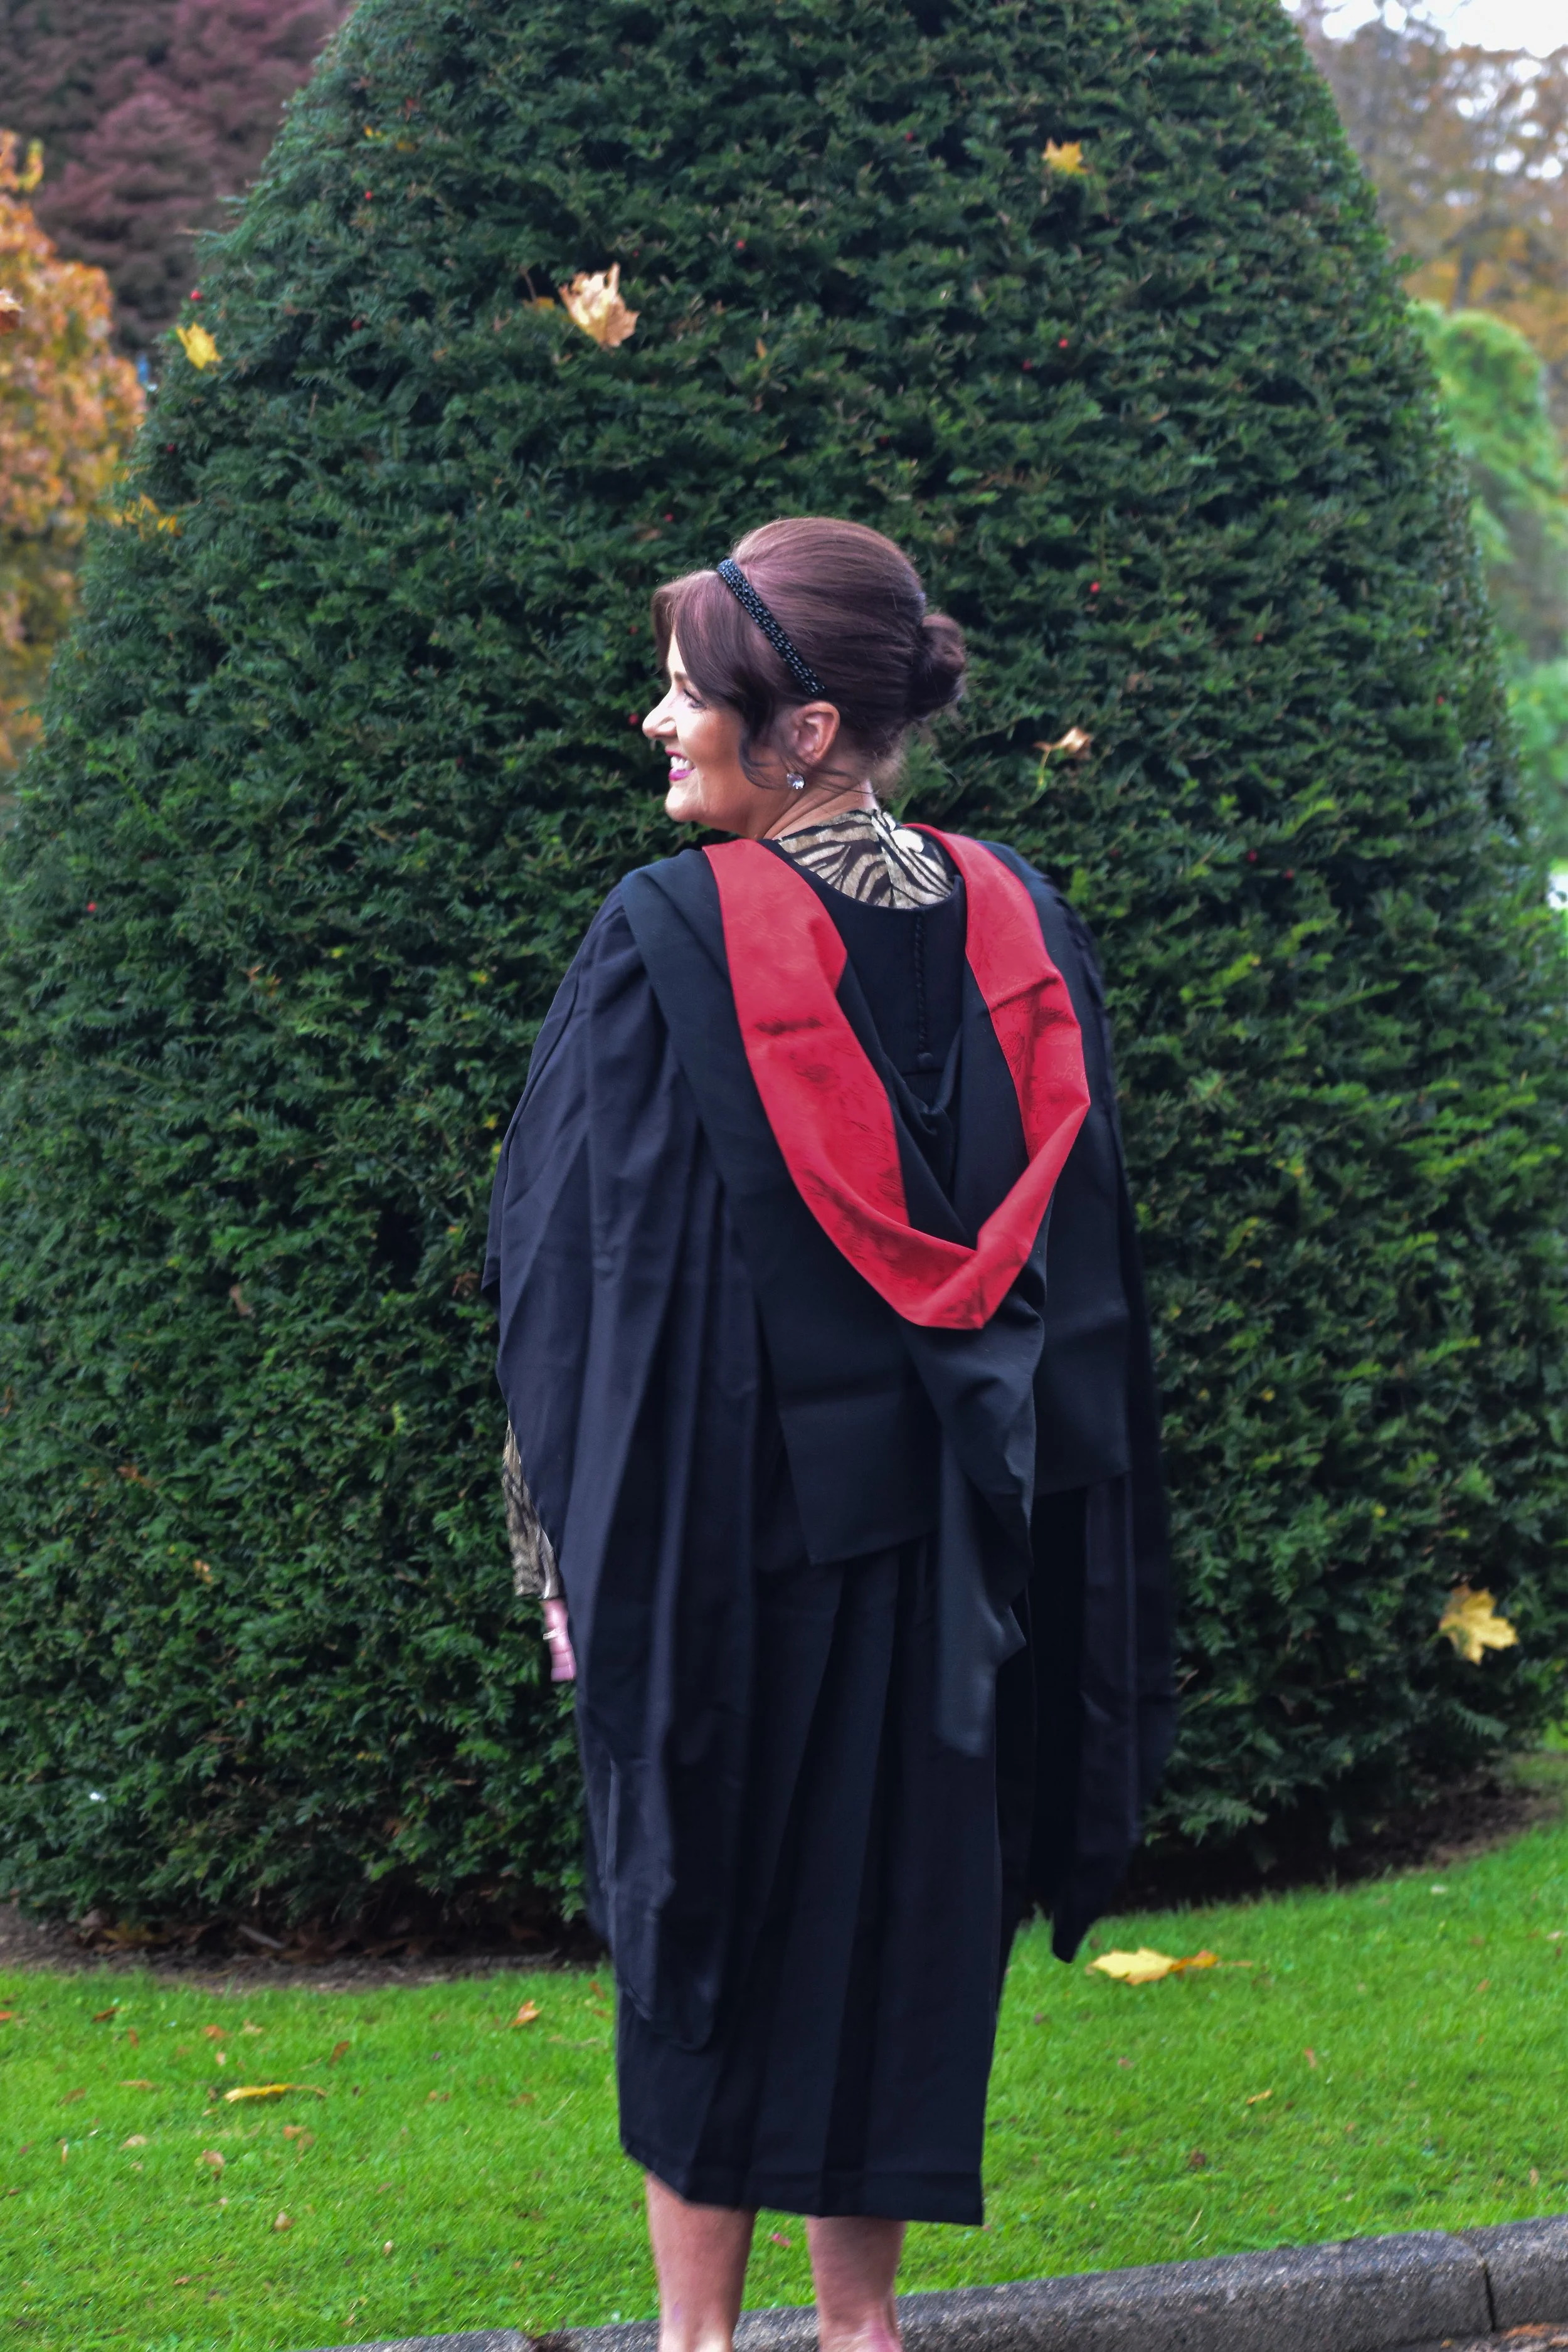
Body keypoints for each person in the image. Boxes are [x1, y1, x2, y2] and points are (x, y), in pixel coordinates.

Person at [484, 517, 1174, 2352]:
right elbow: (1081, 1270)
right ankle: (860, 2333)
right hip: (961, 1548)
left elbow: (583, 1272)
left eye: (685, 693)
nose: (655, 722)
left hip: (734, 1540)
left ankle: (700, 2344)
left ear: (800, 732)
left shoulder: (667, 940)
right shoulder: (1018, 921)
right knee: (901, 1915)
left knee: (709, 1906)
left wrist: (572, 1537)